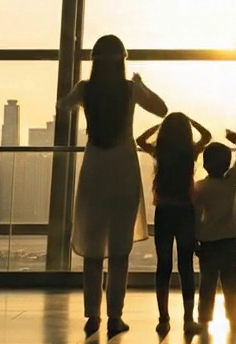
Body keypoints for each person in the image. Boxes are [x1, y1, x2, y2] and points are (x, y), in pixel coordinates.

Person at [57, 35, 167, 338]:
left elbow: (62, 105)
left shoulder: (85, 90)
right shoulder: (130, 90)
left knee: (93, 250)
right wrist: (140, 85)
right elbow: (162, 109)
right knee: (119, 251)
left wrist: (77, 90)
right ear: (122, 60)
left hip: (94, 171)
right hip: (123, 172)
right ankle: (115, 317)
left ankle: (92, 316)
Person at [136, 112, 211, 336]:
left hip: (164, 212)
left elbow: (140, 140)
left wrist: (159, 126)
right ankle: (189, 320)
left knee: (164, 265)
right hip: (185, 212)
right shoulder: (190, 152)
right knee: (186, 266)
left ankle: (163, 319)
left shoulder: (161, 151)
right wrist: (192, 121)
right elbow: (206, 136)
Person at [194, 130, 236, 331]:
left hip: (207, 241)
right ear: (227, 165)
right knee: (230, 280)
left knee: (207, 282)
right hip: (229, 240)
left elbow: (195, 215)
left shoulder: (200, 187)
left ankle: (204, 318)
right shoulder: (230, 181)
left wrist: (194, 239)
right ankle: (233, 319)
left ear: (205, 164)